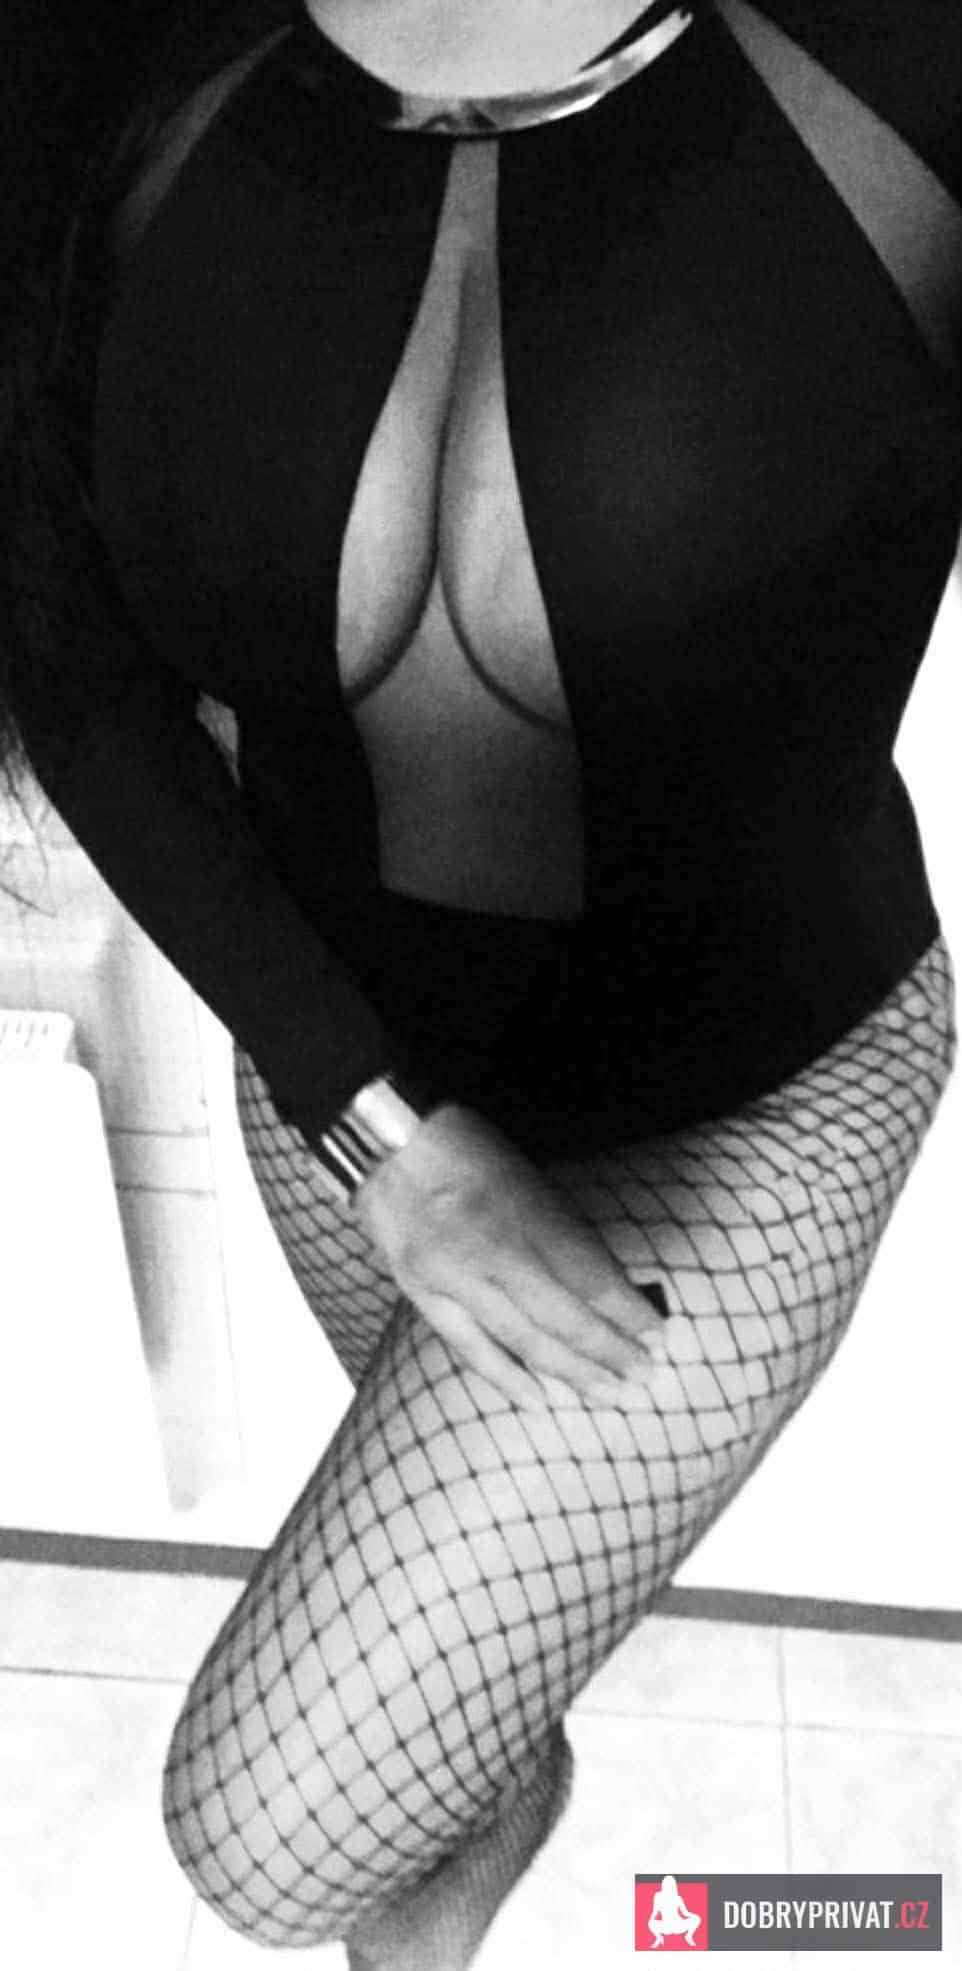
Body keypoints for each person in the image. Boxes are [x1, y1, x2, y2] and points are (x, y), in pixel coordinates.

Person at [1, 0, 959, 1965]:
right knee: (445, 1724)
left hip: (747, 1103)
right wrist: (374, 1119)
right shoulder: (86, 55)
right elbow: (73, 666)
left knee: (270, 1831)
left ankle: (685, 1882)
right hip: (345, 1090)